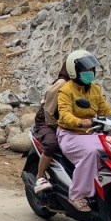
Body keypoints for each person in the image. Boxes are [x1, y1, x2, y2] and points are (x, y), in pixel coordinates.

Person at [55, 50, 111, 212]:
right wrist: (81, 122)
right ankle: (77, 195)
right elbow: (65, 114)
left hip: (91, 132)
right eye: (85, 71)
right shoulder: (66, 90)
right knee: (91, 152)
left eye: (91, 70)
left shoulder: (95, 89)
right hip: (70, 134)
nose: (90, 73)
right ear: (75, 72)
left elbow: (106, 110)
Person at [31, 58, 71, 193]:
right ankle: (40, 177)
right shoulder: (62, 84)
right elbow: (49, 112)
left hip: (69, 122)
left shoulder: (85, 86)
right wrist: (59, 127)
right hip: (48, 121)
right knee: (52, 143)